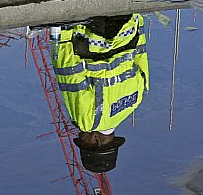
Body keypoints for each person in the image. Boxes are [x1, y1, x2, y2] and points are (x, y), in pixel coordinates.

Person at [51, 13, 149, 173]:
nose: (79, 134)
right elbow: (68, 71)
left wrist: (137, 16)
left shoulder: (137, 99)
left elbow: (140, 51)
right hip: (91, 29)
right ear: (96, 140)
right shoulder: (87, 122)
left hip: (126, 23)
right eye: (82, 139)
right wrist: (62, 30)